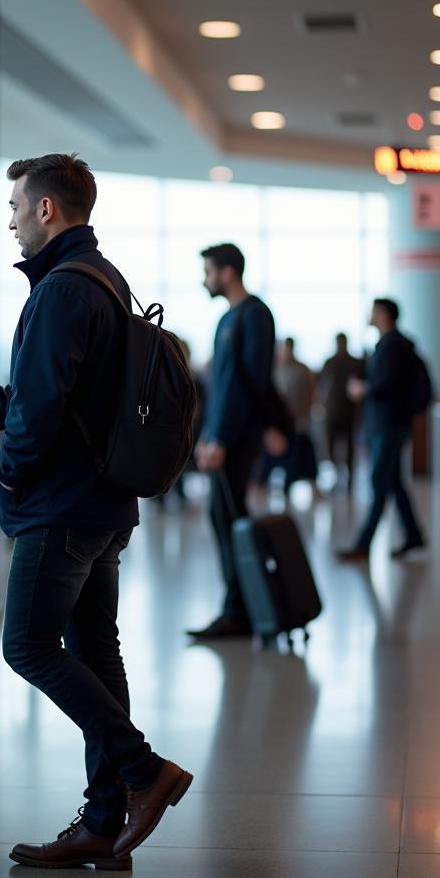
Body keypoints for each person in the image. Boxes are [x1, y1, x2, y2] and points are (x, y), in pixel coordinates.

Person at [0, 153, 192, 871]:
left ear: (47, 210)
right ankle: (102, 819)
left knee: (27, 646)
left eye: (17, 208)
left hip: (59, 509)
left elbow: (37, 413)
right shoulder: (104, 280)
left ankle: (142, 771)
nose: (11, 221)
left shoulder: (60, 291)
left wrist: (10, 475)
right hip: (103, 505)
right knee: (95, 649)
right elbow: (44, 393)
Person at [187, 244, 276, 640]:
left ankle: (239, 611)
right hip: (222, 435)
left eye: (208, 272)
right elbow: (222, 387)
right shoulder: (228, 319)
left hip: (237, 437)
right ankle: (239, 606)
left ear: (227, 272)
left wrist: (221, 438)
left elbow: (248, 384)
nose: (205, 280)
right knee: (223, 518)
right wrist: (209, 436)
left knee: (230, 517)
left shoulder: (253, 315)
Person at [337, 299, 425, 561]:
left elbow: (387, 383)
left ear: (384, 314)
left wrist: (362, 388)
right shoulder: (393, 344)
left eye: (374, 311)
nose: (370, 315)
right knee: (394, 482)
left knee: (379, 481)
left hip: (389, 424)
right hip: (391, 422)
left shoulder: (392, 345)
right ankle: (413, 535)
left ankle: (364, 544)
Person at [263, 337, 317, 493]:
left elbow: (310, 393)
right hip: (281, 421)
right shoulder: (275, 369)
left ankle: (292, 482)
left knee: (298, 452)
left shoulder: (302, 370)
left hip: (299, 420)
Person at [316, 333, 363, 491]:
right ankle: (338, 477)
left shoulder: (354, 363)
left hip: (344, 411)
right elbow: (322, 386)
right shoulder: (331, 362)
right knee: (334, 446)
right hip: (336, 411)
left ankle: (347, 479)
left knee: (347, 447)